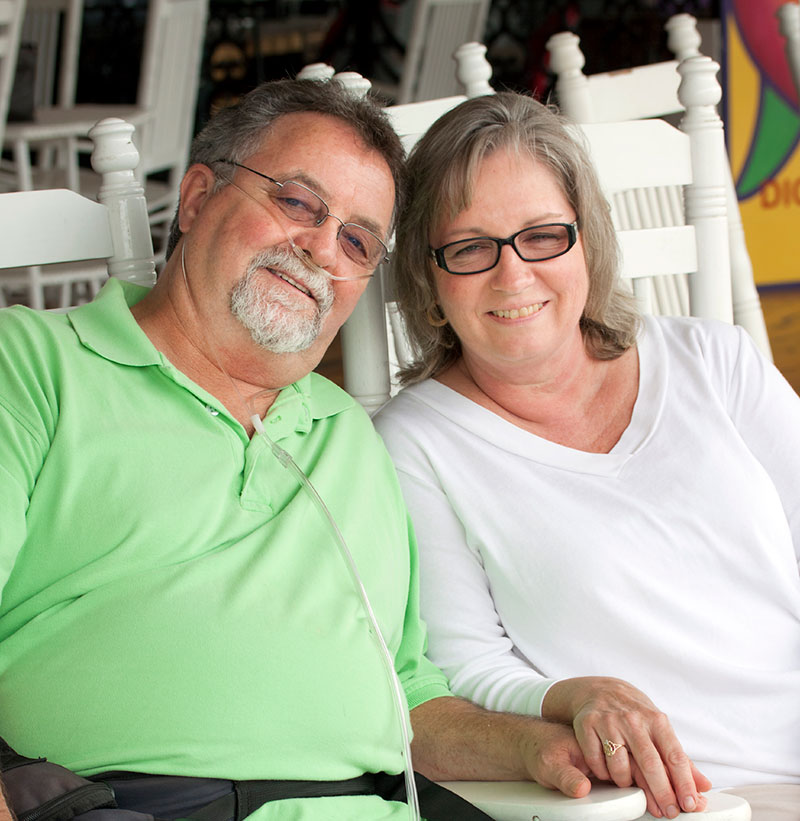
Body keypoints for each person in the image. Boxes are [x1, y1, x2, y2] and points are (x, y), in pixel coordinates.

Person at [0, 79, 598, 821]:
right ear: (195, 199)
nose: (320, 248)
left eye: (355, 241)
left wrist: (531, 746)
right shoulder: (31, 368)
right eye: (297, 203)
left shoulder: (349, 435)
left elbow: (406, 694)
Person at [373, 91, 800, 821]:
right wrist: (569, 699)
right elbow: (465, 665)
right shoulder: (419, 444)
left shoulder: (714, 362)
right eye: (471, 248)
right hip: (691, 799)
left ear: (588, 240)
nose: (514, 276)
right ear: (430, 280)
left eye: (542, 235)